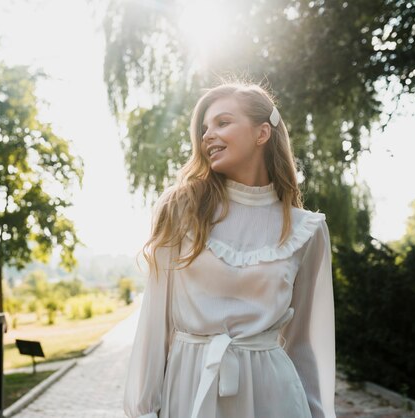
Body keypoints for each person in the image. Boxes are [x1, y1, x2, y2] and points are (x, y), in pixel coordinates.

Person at [123, 81, 336, 418]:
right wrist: (144, 410)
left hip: (274, 397)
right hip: (190, 389)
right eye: (204, 127)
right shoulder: (181, 210)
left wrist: (320, 414)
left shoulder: (306, 230)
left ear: (262, 133)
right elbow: (155, 323)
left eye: (222, 123)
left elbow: (306, 344)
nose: (207, 135)